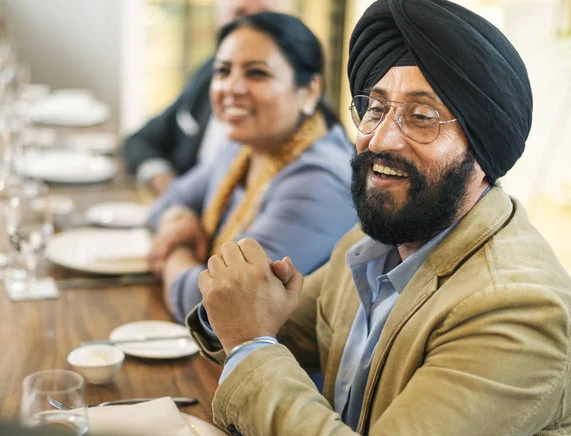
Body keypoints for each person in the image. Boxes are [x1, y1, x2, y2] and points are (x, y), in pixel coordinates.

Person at [187, 0, 571, 434]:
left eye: (421, 117)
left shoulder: (517, 309)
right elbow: (280, 325)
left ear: (483, 151)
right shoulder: (376, 239)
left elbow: (255, 340)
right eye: (375, 107)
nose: (381, 138)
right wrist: (229, 307)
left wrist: (249, 343)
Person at [147, 12, 357, 323]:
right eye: (223, 71)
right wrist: (181, 219)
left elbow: (213, 305)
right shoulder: (246, 144)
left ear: (309, 91)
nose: (231, 88)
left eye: (256, 73)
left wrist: (175, 250)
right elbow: (166, 202)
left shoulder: (320, 182)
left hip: (273, 366)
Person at [123, 0, 292, 196]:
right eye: (239, 13)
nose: (251, 26)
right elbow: (142, 139)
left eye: (266, 17)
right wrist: (163, 181)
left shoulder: (288, 120)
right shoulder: (208, 74)